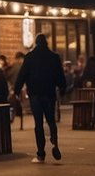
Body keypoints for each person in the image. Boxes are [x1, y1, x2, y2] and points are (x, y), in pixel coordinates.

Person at [14, 33, 66, 162]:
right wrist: (62, 88)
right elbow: (59, 75)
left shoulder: (30, 57)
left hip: (35, 94)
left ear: (36, 42)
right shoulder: (54, 57)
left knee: (38, 123)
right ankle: (54, 141)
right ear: (46, 42)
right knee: (51, 120)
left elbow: (22, 75)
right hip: (49, 93)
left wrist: (17, 89)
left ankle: (41, 154)